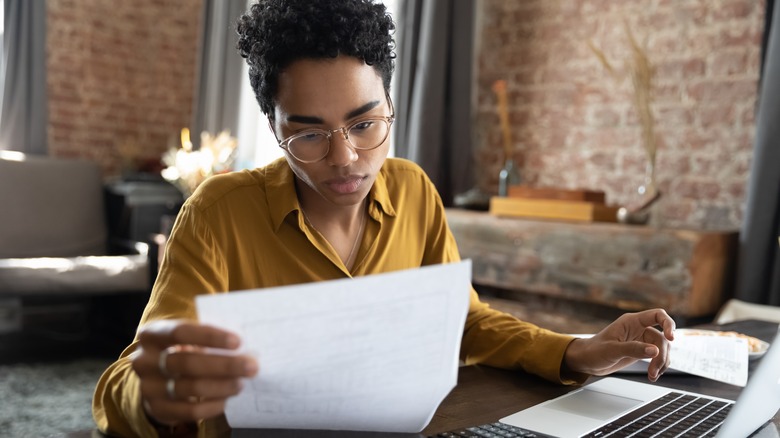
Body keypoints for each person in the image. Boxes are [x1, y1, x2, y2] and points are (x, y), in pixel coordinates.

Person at [92, 1, 675, 436]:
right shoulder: (218, 214)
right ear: (274, 129)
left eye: (366, 124)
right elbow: (126, 380)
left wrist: (575, 350)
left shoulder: (415, 192)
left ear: (391, 107)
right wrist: (152, 395)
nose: (345, 157)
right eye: (310, 134)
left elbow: (464, 323)